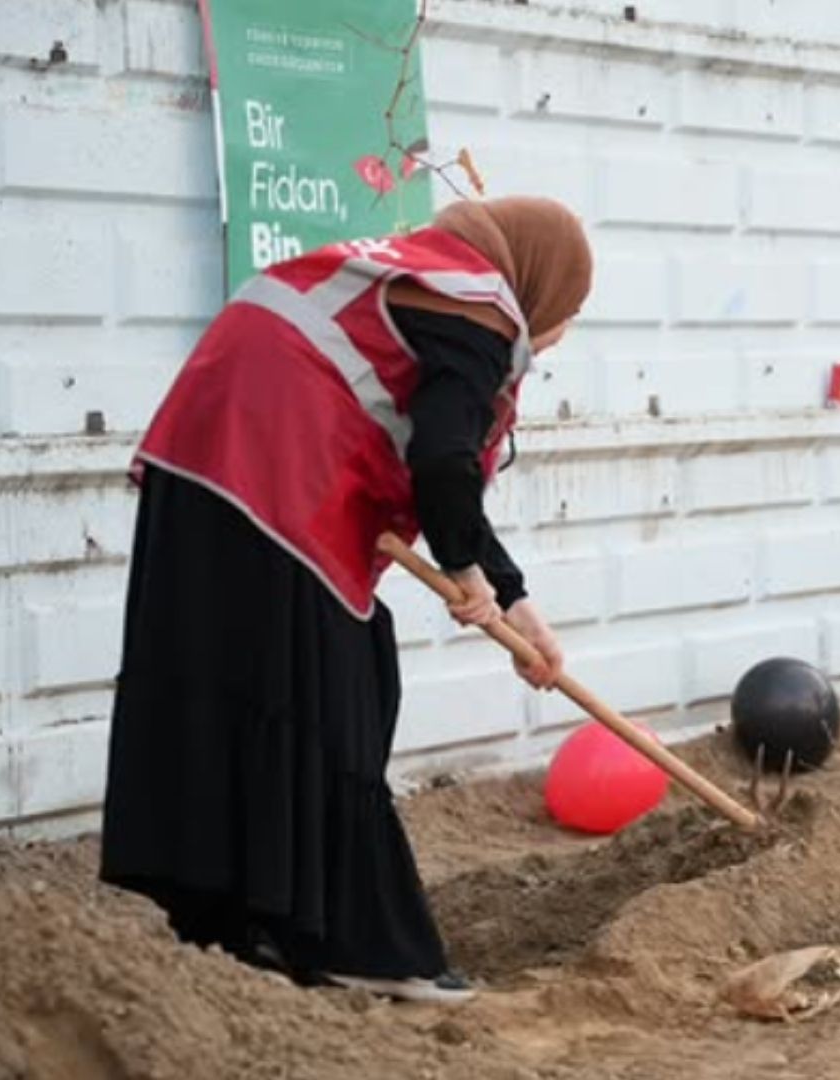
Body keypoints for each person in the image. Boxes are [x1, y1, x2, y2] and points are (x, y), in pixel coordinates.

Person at [100, 196, 593, 1002]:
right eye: (567, 315)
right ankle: (360, 945)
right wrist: (468, 579)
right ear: (539, 281)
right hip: (276, 472)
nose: (557, 333)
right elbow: (441, 459)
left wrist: (511, 597)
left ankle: (233, 922)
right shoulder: (481, 306)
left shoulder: (424, 273)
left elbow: (440, 469)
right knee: (341, 694)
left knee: (242, 688)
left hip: (202, 466)